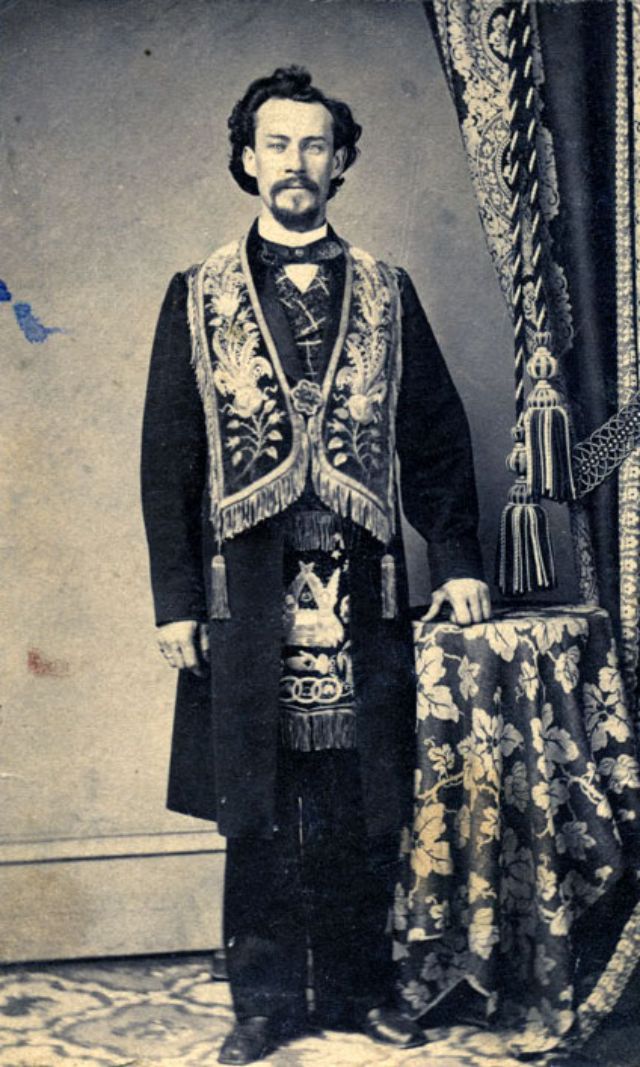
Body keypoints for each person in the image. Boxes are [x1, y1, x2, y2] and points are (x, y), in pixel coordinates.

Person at [141, 65, 491, 1065]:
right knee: (254, 801)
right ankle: (261, 1001)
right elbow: (168, 454)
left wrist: (457, 556)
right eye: (275, 144)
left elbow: (432, 436)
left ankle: (355, 986)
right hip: (243, 592)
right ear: (246, 159)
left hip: (362, 579)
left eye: (313, 146)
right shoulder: (195, 292)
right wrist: (173, 600)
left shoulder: (388, 288)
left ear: (340, 161)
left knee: (360, 795)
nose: (295, 164)